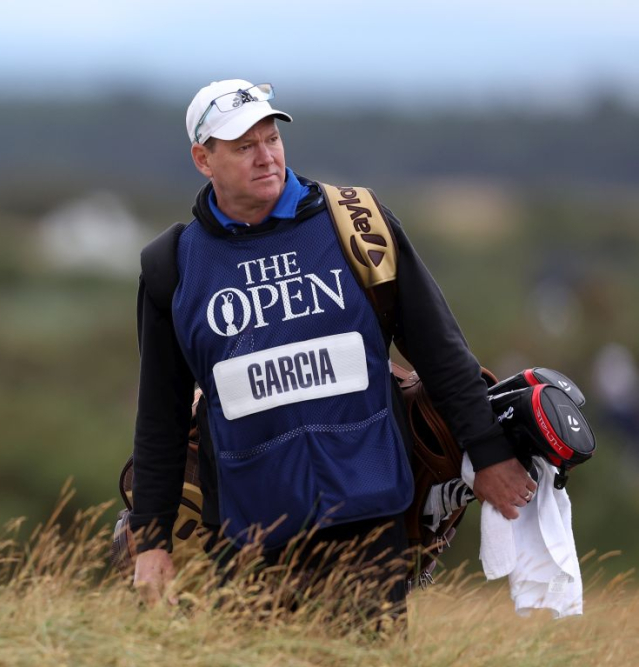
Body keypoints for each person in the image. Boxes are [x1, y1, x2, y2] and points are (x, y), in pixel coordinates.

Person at [129, 80, 537, 617]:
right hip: (248, 536)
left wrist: (488, 453)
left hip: (369, 519)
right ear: (203, 159)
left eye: (271, 139)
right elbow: (160, 415)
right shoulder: (173, 266)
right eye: (243, 147)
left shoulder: (356, 224)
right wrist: (152, 539)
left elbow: (441, 352)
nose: (265, 157)